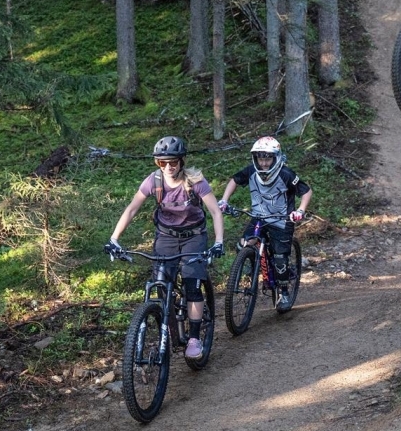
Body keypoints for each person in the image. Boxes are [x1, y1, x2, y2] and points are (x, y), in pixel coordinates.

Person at [106, 136, 226, 360]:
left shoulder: (195, 180)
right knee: (161, 283)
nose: (168, 167)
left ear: (181, 161)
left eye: (173, 162)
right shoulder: (154, 181)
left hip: (194, 236)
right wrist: (114, 238)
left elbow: (215, 212)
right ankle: (170, 331)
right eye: (163, 163)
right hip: (166, 236)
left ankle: (194, 337)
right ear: (157, 164)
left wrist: (218, 241)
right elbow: (132, 209)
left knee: (192, 283)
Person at [217, 136, 313, 312]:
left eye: (268, 158)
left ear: (276, 158)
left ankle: (283, 292)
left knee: (279, 259)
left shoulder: (286, 174)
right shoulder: (251, 171)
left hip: (282, 220)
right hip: (259, 218)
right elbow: (234, 180)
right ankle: (250, 266)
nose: (264, 163)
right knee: (244, 244)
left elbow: (306, 192)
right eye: (260, 158)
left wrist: (300, 210)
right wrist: (224, 200)